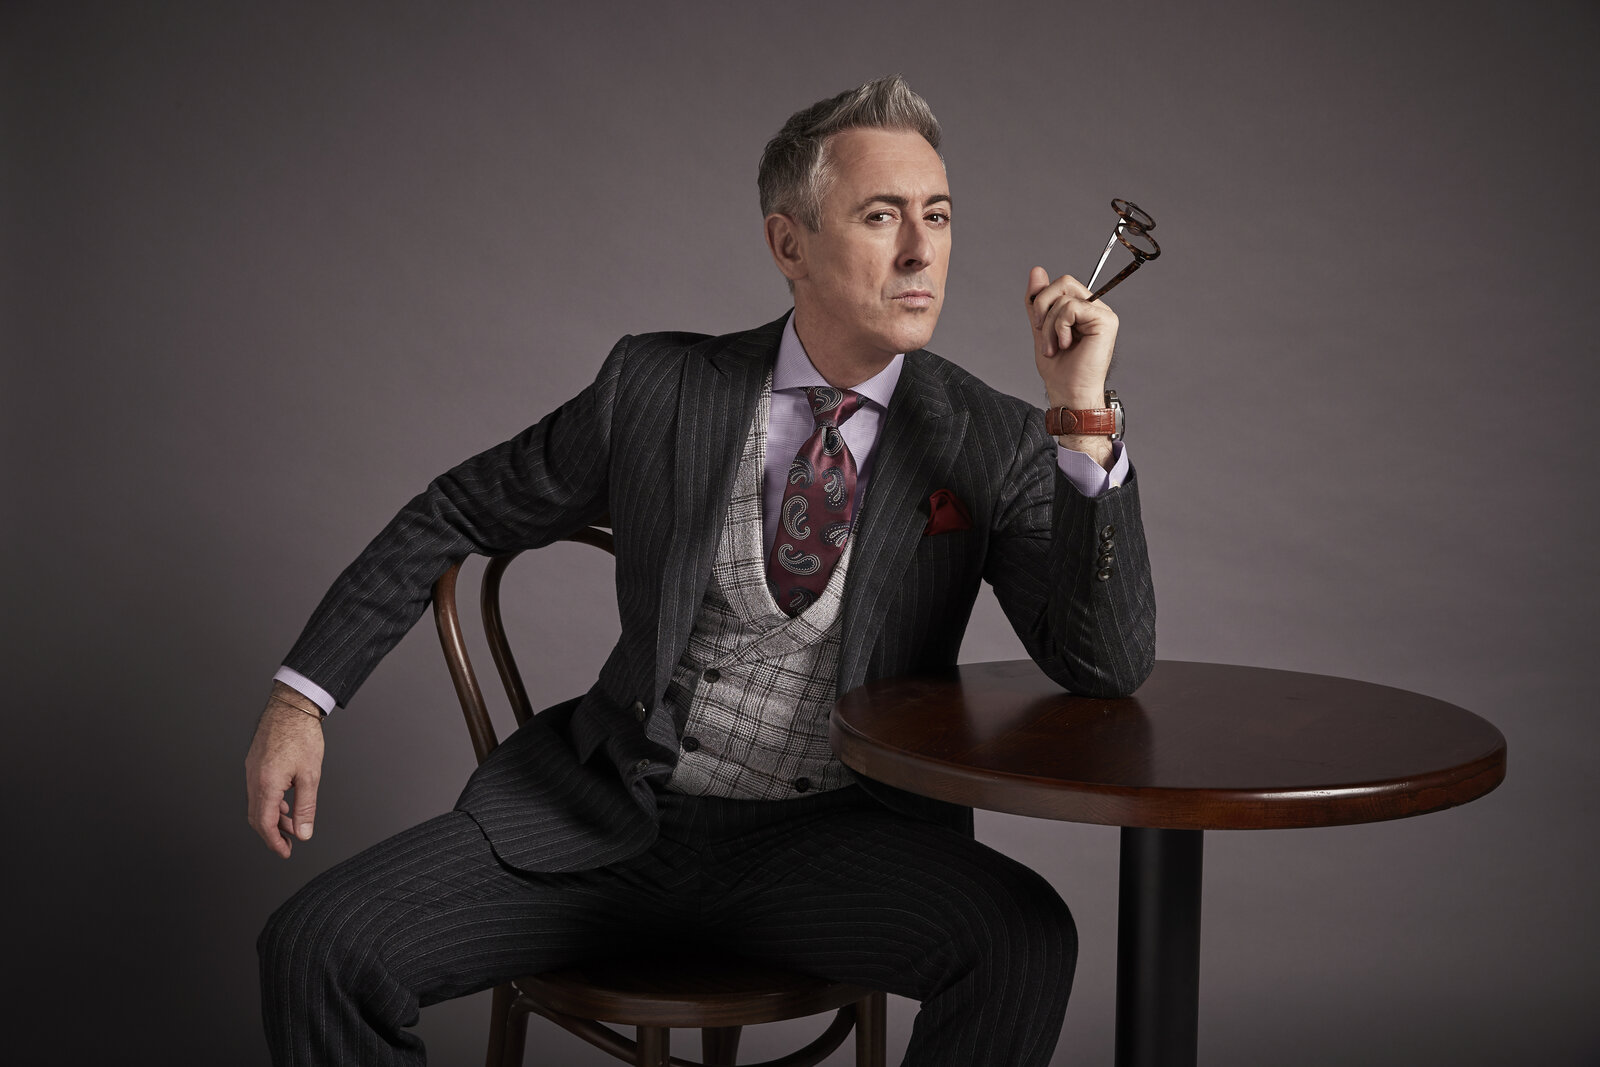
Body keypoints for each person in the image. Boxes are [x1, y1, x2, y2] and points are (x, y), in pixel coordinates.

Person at [246, 74, 1156, 1066]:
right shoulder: (657, 387)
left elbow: (1102, 663)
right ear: (788, 244)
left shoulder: (990, 438)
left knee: (1024, 941)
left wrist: (1082, 419)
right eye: (880, 215)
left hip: (836, 844)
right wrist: (301, 701)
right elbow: (456, 507)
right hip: (609, 824)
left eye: (936, 215)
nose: (920, 249)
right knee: (319, 945)